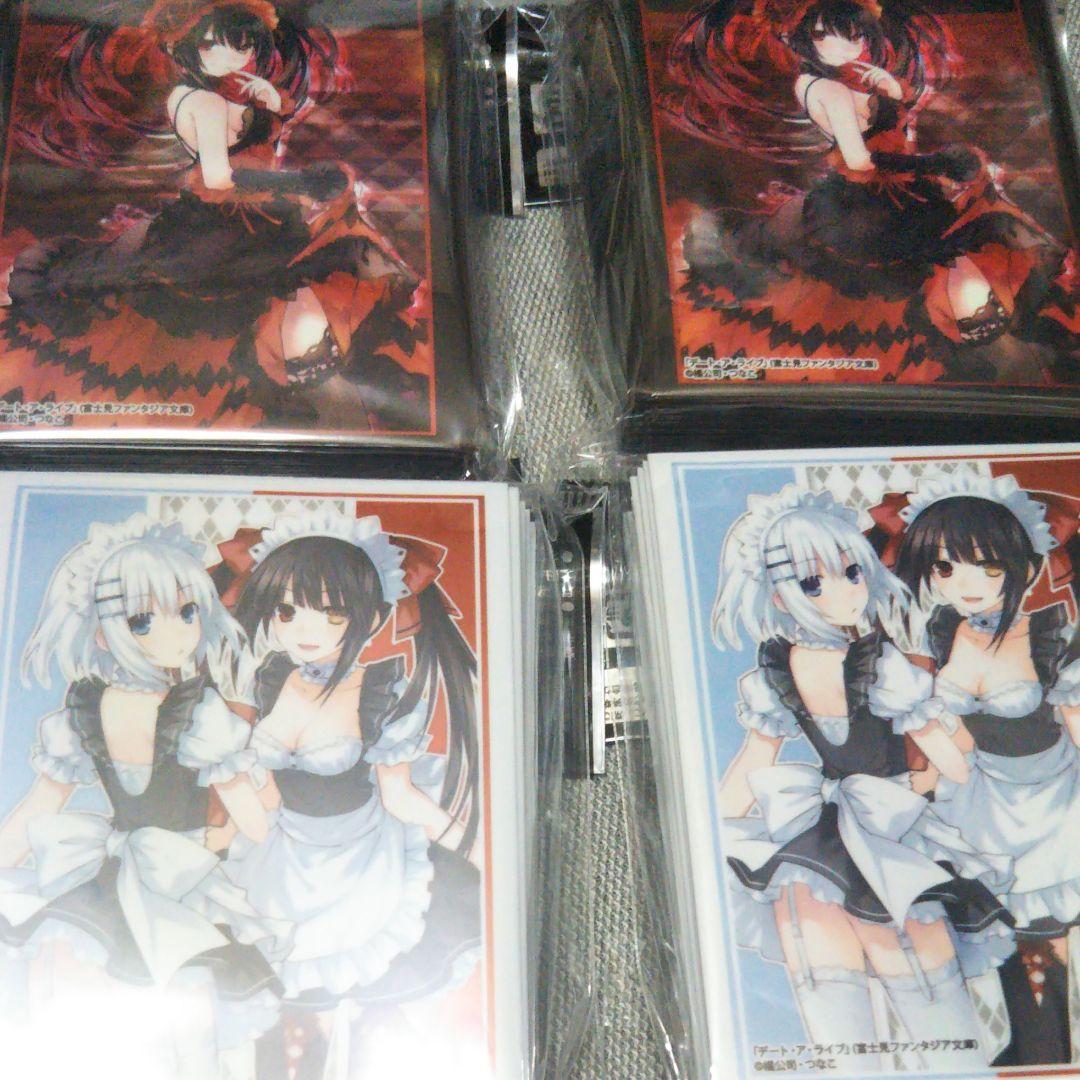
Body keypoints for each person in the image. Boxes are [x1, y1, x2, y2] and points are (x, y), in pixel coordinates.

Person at [0, 0, 428, 430]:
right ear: (187, 47)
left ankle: (314, 381)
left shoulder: (216, 91)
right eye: (215, 47)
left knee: (311, 275)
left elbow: (254, 147)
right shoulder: (203, 102)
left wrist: (270, 106)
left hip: (255, 215)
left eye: (243, 46)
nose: (233, 57)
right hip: (221, 227)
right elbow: (218, 178)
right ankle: (282, 386)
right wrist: (297, 182)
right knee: (280, 288)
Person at [713, 484, 1014, 1070]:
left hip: (810, 857)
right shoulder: (883, 666)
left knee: (838, 1034)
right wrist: (951, 748)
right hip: (890, 841)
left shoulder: (775, 670)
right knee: (938, 1017)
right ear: (776, 592)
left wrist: (709, 830)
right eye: (812, 582)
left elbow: (750, 769)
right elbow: (951, 762)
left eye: (853, 571)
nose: (846, 591)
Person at [0, 512, 286, 1078]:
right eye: (142, 619)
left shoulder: (85, 707)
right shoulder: (199, 711)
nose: (176, 633)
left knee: (132, 1023)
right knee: (193, 1027)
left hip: (109, 883)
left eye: (187, 612)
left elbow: (35, 810)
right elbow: (255, 824)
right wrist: (259, 794)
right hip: (181, 884)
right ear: (103, 632)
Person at [665, 0, 1079, 382]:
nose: (851, 45)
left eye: (856, 34)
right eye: (833, 34)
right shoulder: (826, 89)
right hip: (869, 209)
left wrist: (894, 89)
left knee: (988, 243)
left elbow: (899, 123)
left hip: (908, 193)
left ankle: (1035, 334)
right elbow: (860, 161)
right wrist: (933, 164)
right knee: (966, 279)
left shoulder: (849, 76)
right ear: (807, 38)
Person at [221, 509, 481, 1074]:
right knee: (268, 1020)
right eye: (287, 611)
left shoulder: (381, 692)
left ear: (369, 615)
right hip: (277, 857)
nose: (304, 629)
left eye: (332, 611)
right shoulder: (267, 680)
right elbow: (261, 797)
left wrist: (482, 854)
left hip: (361, 867)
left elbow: (401, 797)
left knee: (359, 1017)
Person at [875, 472, 1080, 1063]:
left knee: (1044, 938)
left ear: (1024, 566)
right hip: (982, 797)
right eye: (945, 568)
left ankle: (1048, 1054)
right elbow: (958, 738)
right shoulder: (944, 630)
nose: (964, 585)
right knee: (1001, 933)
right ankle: (1025, 1052)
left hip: (1051, 799)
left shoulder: (1050, 635)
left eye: (986, 567)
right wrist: (921, 770)